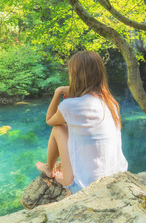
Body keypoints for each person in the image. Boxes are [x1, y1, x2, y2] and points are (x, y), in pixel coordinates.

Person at [36, 51, 128, 194]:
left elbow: (50, 120)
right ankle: (54, 168)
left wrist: (58, 92)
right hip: (117, 175)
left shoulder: (71, 105)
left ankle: (50, 168)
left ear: (76, 75)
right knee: (67, 128)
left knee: (58, 129)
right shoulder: (110, 102)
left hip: (85, 185)